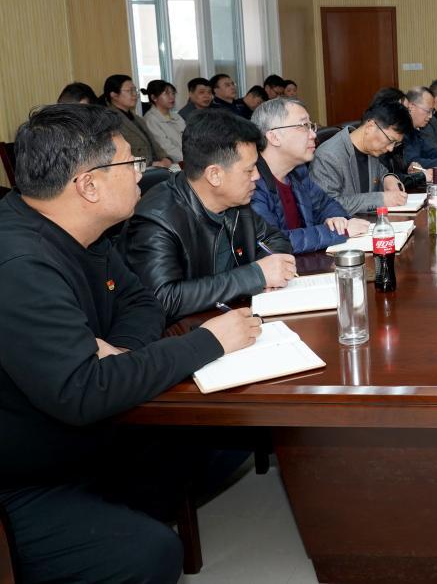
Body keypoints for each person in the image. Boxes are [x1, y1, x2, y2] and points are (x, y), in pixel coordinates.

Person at [0, 103, 261, 584]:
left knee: (228, 439)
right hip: (26, 480)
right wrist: (207, 342)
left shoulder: (83, 231)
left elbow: (142, 302)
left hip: (90, 435)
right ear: (88, 185)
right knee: (151, 554)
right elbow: (82, 392)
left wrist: (118, 353)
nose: (142, 174)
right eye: (130, 163)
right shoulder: (20, 264)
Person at [123, 110, 296, 322]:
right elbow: (163, 299)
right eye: (249, 170)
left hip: (230, 316)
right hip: (182, 332)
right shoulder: (156, 220)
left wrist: (267, 274)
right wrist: (255, 276)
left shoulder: (235, 203)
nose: (257, 177)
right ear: (214, 175)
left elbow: (275, 239)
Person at [249, 99, 368, 253]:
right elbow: (273, 243)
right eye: (304, 126)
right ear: (274, 137)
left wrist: (337, 219)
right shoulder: (251, 183)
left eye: (311, 126)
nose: (313, 134)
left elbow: (326, 204)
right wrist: (339, 232)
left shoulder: (297, 172)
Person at [311, 98, 412, 215]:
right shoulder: (328, 155)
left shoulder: (371, 148)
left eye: (396, 144)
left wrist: (388, 178)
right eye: (390, 140)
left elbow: (381, 172)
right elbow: (325, 206)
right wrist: (379, 200)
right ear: (370, 127)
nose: (391, 148)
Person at [101, 74, 173, 169]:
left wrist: (166, 158)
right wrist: (149, 164)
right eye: (129, 91)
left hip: (152, 169)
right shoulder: (109, 120)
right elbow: (117, 159)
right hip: (134, 171)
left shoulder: (138, 118)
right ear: (114, 95)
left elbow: (154, 144)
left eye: (135, 90)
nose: (134, 94)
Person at [141, 79, 186, 164]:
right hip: (171, 163)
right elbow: (166, 147)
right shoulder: (150, 119)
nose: (172, 97)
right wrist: (188, 160)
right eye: (167, 93)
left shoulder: (177, 116)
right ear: (154, 98)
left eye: (173, 93)